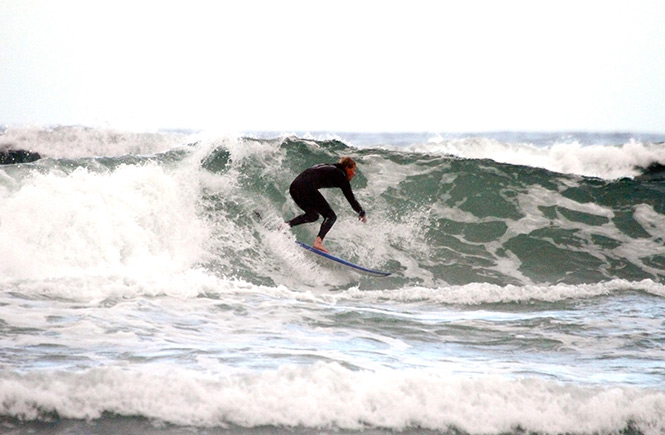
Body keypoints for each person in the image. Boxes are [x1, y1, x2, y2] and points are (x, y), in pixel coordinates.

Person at [287, 156, 367, 253]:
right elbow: (351, 198)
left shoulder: (330, 167)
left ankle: (285, 226)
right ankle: (318, 242)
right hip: (306, 186)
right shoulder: (340, 175)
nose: (354, 174)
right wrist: (360, 211)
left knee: (313, 216)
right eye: (353, 170)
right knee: (331, 216)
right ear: (347, 168)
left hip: (294, 187)